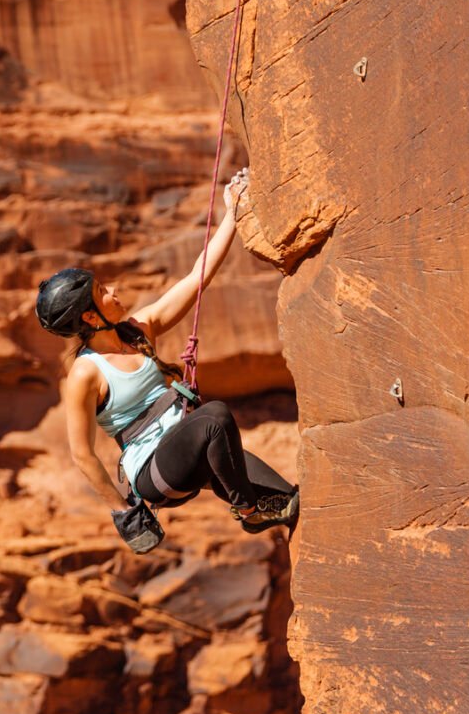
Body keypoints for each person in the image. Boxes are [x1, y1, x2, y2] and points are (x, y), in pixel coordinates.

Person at [34, 168, 298, 537]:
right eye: (102, 291)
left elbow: (196, 277)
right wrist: (124, 514)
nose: (114, 289)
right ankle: (250, 511)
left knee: (290, 501)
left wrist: (233, 214)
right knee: (215, 416)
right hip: (153, 472)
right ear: (91, 317)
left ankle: (263, 508)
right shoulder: (85, 374)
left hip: (195, 447)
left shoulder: (139, 330)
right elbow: (82, 454)